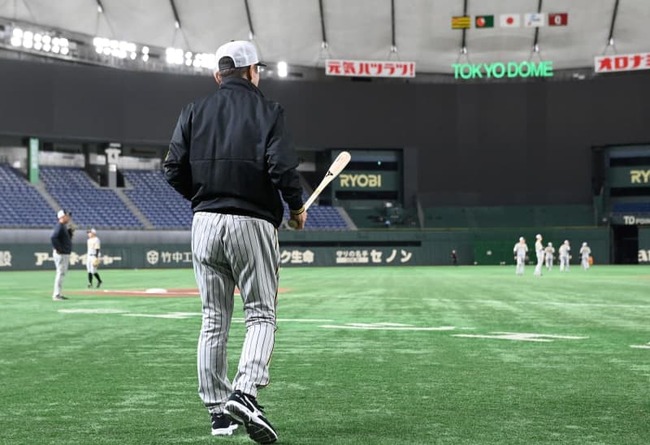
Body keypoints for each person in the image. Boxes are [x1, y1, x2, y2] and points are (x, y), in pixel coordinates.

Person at [164, 40, 306, 444]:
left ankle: (217, 414)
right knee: (261, 313)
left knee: (213, 318)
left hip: (204, 222)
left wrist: (205, 196)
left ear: (218, 74)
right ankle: (244, 392)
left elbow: (172, 168)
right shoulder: (268, 111)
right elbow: (282, 167)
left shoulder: (193, 110)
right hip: (251, 222)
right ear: (251, 72)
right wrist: (295, 208)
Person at [50, 209, 74, 301]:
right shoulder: (60, 226)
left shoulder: (63, 226)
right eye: (67, 215)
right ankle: (56, 295)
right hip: (62, 254)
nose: (69, 217)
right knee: (60, 273)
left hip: (63, 253)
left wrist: (69, 235)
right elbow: (53, 238)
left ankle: (58, 293)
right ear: (62, 217)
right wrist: (59, 249)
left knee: (61, 273)